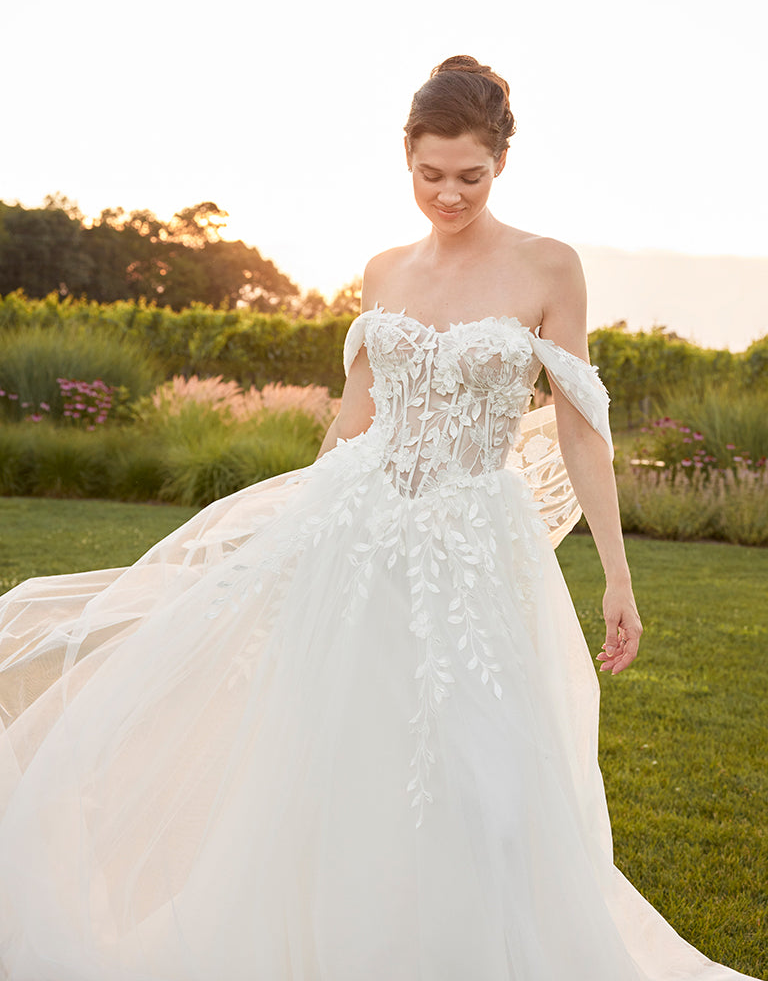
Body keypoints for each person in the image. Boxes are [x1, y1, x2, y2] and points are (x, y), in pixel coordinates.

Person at [0, 56, 760, 980]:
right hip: (353, 537)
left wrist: (618, 574)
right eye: (429, 173)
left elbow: (578, 431)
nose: (448, 193)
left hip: (476, 552)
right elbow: (354, 415)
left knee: (480, 781)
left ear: (502, 162)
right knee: (332, 763)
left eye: (469, 176)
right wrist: (295, 527)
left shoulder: (549, 266)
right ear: (406, 156)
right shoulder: (381, 270)